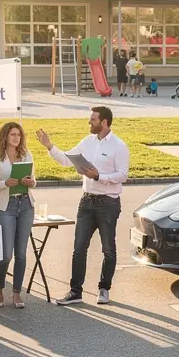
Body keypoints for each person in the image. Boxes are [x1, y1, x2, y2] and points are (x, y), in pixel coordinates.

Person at [35, 106, 129, 306]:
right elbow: (66, 160)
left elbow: (123, 175)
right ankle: (75, 292)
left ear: (104, 122)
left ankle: (104, 288)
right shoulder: (87, 142)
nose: (89, 122)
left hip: (108, 203)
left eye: (93, 119)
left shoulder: (119, 146)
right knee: (79, 249)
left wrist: (98, 176)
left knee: (108, 249)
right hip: (87, 202)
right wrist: (49, 146)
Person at [0, 121, 35, 308]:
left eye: (19, 134)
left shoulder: (26, 154)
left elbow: (34, 180)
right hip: (6, 206)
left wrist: (30, 182)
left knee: (21, 254)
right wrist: (6, 183)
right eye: (13, 134)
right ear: (5, 136)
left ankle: (16, 293)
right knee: (6, 254)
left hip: (25, 205)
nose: (16, 138)